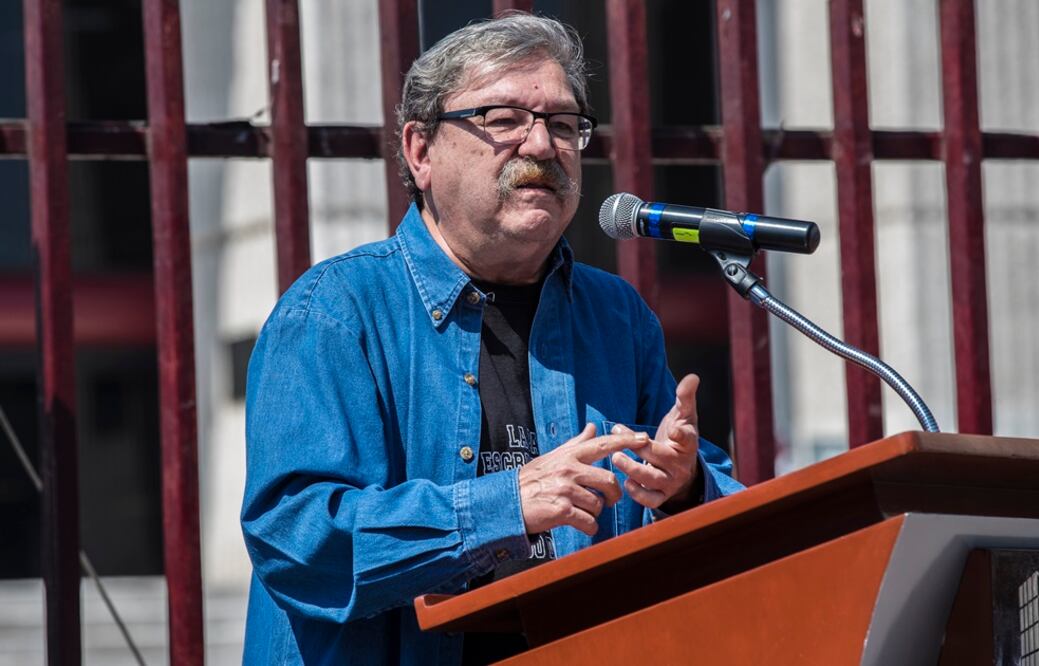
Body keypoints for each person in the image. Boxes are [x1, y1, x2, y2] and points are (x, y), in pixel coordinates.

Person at [240, 12, 743, 665]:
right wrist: (503, 506)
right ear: (420, 151)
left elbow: (717, 516)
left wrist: (683, 491)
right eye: (504, 120)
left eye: (563, 125)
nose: (541, 146)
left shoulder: (615, 316)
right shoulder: (334, 312)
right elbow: (299, 540)